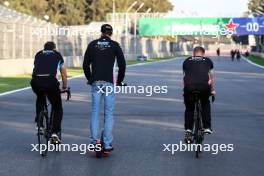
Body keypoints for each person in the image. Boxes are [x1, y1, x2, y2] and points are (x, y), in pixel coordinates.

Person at [83, 24, 126, 152]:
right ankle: (106, 144)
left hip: (96, 82)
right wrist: (119, 81)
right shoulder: (114, 45)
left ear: (101, 32)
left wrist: (90, 79)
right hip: (109, 83)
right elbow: (122, 65)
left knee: (95, 112)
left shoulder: (92, 44)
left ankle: (94, 141)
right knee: (109, 113)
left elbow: (85, 65)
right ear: (111, 33)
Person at [31, 41, 68, 143]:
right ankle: (55, 132)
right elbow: (63, 73)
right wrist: (64, 86)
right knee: (57, 107)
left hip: (36, 81)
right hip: (50, 82)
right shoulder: (57, 54)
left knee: (40, 98)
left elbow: (37, 67)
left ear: (44, 48)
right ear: (54, 48)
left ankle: (40, 125)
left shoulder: (38, 54)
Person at [182, 46, 216, 143]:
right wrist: (212, 90)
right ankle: (207, 127)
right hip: (204, 87)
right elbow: (211, 77)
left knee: (189, 108)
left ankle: (188, 130)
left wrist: (185, 90)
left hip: (189, 88)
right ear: (203, 53)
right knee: (205, 104)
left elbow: (184, 77)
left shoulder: (187, 61)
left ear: (193, 53)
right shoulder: (208, 61)